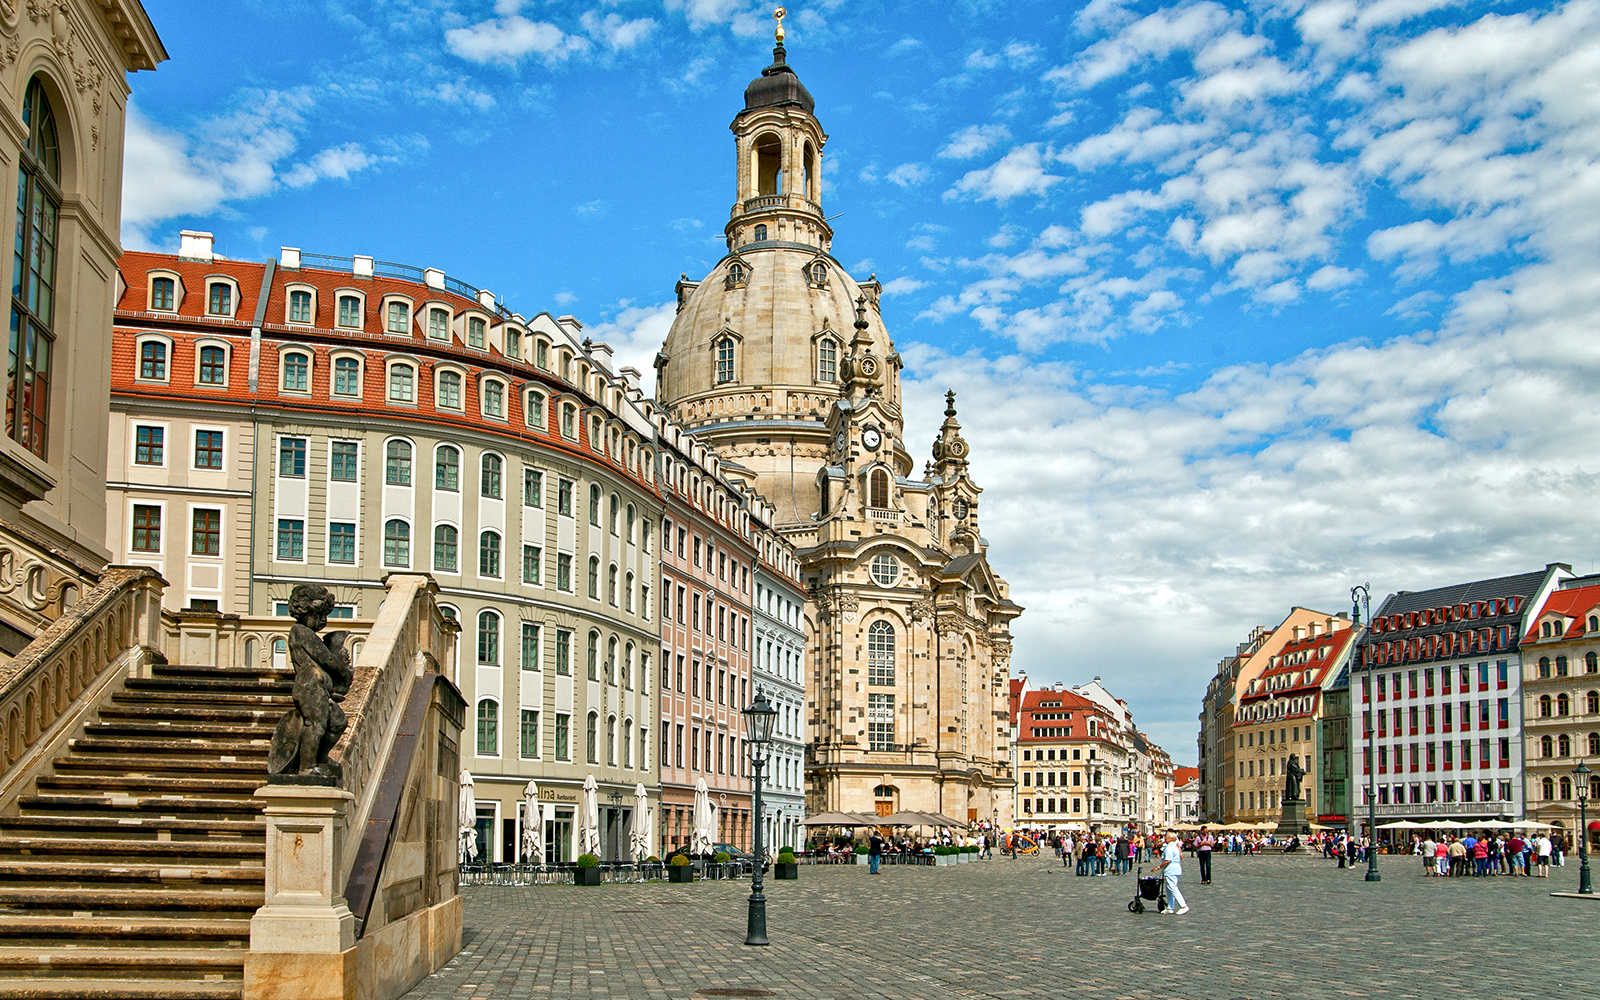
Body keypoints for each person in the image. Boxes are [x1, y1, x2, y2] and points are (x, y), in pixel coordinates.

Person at [1156, 831, 1189, 915]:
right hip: (1174, 869)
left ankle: (1183, 905)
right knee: (1169, 888)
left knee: (1173, 887)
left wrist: (1159, 867)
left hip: (1171, 870)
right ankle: (1170, 907)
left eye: (1166, 837)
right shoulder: (1174, 846)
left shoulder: (1170, 847)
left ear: (1171, 838)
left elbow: (1168, 860)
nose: (1165, 838)